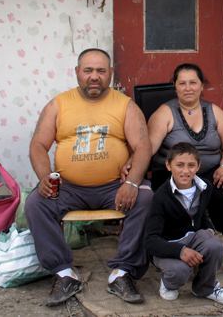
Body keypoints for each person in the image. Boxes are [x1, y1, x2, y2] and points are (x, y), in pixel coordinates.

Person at [25, 48, 153, 307]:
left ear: (110, 73)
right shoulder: (59, 104)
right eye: (88, 70)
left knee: (145, 197)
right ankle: (63, 273)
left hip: (114, 188)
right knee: (36, 203)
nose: (94, 76)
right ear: (77, 73)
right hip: (69, 188)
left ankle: (123, 272)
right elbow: (38, 144)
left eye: (101, 71)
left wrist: (131, 183)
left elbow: (143, 147)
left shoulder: (125, 105)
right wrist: (43, 177)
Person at [147, 64, 223, 281]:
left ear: (202, 86)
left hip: (210, 172)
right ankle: (176, 252)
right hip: (172, 174)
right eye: (182, 83)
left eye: (193, 82)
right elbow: (149, 148)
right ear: (174, 86)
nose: (188, 88)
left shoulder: (214, 112)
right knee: (177, 200)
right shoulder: (165, 113)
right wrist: (133, 168)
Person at [144, 142, 223, 304]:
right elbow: (150, 241)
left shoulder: (204, 188)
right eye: (179, 165)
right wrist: (180, 251)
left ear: (198, 166)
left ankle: (205, 287)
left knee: (215, 245)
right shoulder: (160, 197)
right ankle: (169, 284)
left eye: (191, 165)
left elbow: (200, 216)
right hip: (168, 245)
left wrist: (208, 230)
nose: (186, 171)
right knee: (181, 269)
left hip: (192, 238)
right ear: (168, 165)